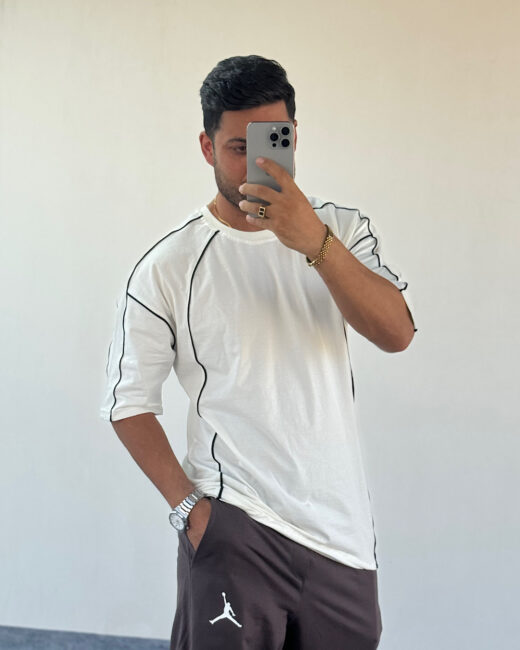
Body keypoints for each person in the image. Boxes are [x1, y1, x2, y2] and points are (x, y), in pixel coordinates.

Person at [100, 54, 416, 650]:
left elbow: (396, 333)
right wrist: (191, 512)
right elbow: (127, 402)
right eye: (237, 148)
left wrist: (312, 240)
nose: (256, 163)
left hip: (341, 535)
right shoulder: (169, 265)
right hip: (234, 527)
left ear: (293, 136)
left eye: (273, 143)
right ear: (206, 147)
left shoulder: (342, 230)